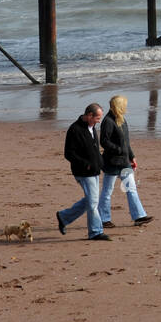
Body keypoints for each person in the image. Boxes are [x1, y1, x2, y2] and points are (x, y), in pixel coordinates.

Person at [56, 103, 110, 241]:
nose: (99, 121)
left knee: (91, 200)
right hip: (83, 172)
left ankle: (64, 216)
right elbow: (68, 153)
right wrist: (85, 164)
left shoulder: (92, 127)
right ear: (89, 115)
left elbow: (94, 149)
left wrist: (100, 162)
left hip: (95, 170)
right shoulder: (75, 129)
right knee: (93, 203)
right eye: (97, 118)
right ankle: (96, 232)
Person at [98, 94, 153, 228]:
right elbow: (104, 141)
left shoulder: (122, 120)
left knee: (131, 189)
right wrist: (118, 150)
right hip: (111, 163)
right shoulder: (108, 121)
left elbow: (126, 142)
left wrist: (131, 156)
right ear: (119, 106)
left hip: (124, 163)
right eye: (124, 105)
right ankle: (104, 219)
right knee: (107, 191)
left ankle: (139, 216)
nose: (126, 107)